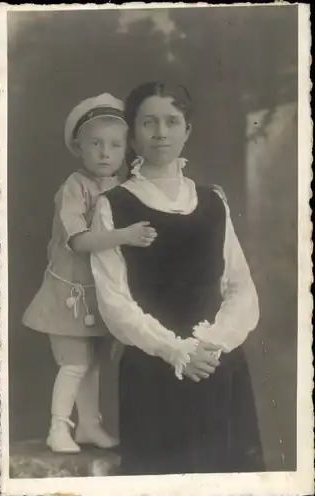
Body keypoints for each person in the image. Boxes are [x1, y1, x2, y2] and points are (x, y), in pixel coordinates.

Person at [90, 82, 264, 475]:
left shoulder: (213, 202)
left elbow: (240, 286)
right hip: (153, 373)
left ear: (188, 130)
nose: (160, 132)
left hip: (219, 367)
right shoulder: (114, 205)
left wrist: (213, 344)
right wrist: (175, 351)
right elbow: (115, 302)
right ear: (132, 135)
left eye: (172, 121)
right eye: (148, 122)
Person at [22, 93, 157, 454]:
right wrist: (126, 236)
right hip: (71, 294)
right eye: (95, 144)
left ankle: (89, 426)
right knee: (74, 363)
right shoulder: (74, 187)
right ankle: (57, 428)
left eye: (114, 145)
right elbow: (78, 241)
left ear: (126, 149)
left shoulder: (121, 187)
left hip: (100, 291)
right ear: (78, 146)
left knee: (94, 363)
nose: (104, 153)